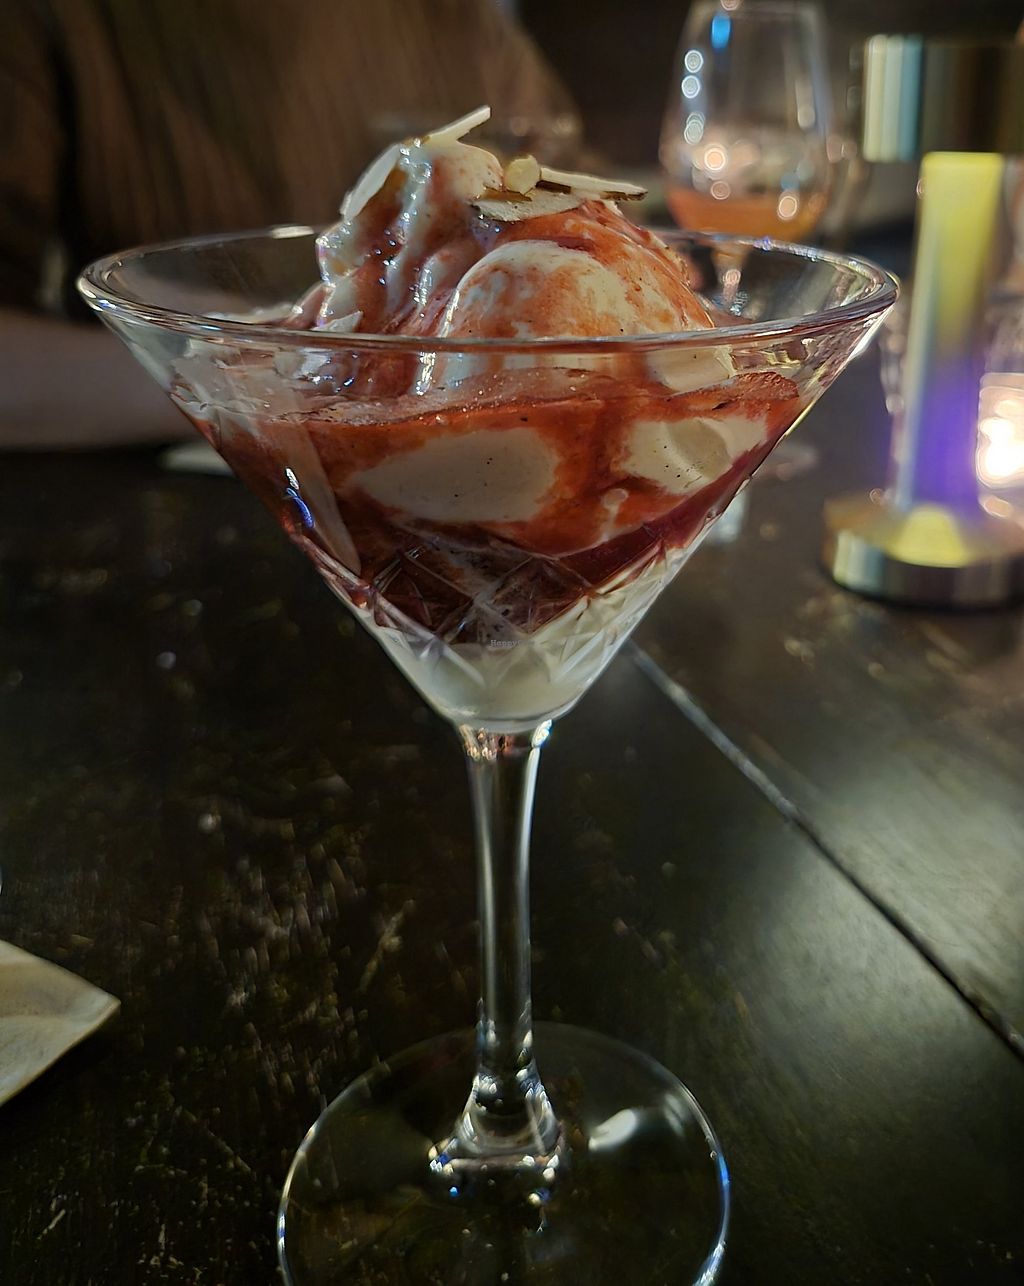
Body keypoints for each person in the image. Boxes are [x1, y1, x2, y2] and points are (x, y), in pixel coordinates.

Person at [0, 0, 577, 449]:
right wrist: (258, 374)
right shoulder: (52, 19)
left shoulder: (460, 19)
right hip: (171, 497)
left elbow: (569, 207)